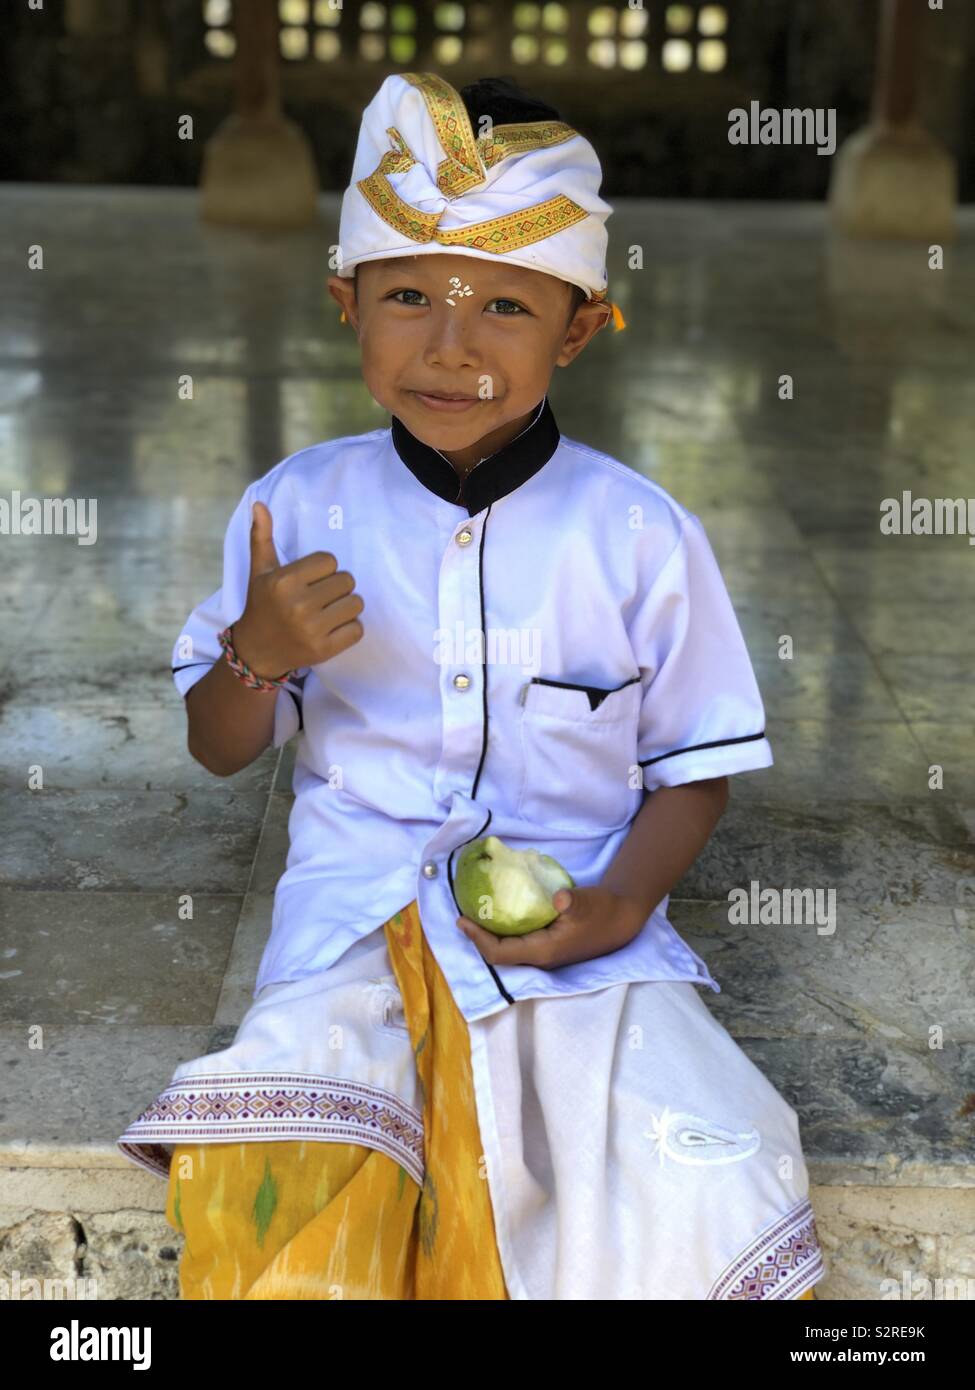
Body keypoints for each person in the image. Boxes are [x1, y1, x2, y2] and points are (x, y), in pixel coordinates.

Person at [117, 71, 824, 1301]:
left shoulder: (641, 537)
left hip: (579, 942)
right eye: (407, 296)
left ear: (580, 326)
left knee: (701, 1179)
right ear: (346, 303)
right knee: (293, 1172)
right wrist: (257, 655)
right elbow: (220, 745)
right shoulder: (297, 510)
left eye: (504, 303)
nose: (451, 346)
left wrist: (613, 908)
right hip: (351, 929)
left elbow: (692, 768)